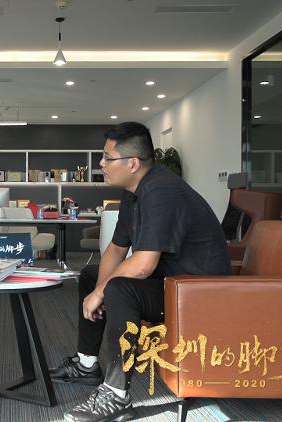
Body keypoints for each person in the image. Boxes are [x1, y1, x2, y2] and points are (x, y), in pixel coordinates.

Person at [52, 122, 231, 422]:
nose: (101, 164)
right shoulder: (134, 191)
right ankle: (87, 364)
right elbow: (116, 249)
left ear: (133, 163)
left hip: (197, 292)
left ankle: (116, 395)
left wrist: (102, 293)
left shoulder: (161, 191)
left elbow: (144, 263)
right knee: (93, 276)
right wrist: (98, 288)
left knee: (118, 288)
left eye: (107, 158)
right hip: (170, 283)